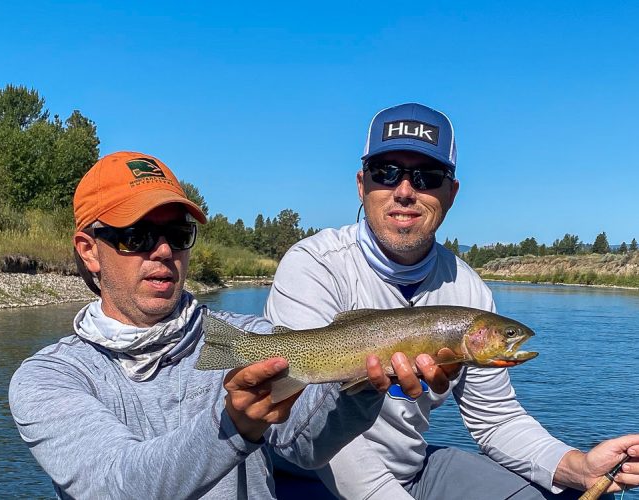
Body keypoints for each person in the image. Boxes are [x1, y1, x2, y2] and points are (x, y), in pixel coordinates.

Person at [265, 103, 639, 499]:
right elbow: (302, 425)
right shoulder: (313, 265)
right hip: (307, 476)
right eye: (386, 173)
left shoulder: (468, 289)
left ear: (452, 192)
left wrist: (578, 468)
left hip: (413, 470)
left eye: (427, 176)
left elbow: (496, 420)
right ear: (362, 184)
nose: (405, 191)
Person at [8, 151, 425, 499]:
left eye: (177, 232)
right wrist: (234, 425)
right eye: (137, 236)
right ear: (89, 252)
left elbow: (305, 447)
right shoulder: (48, 379)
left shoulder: (247, 339)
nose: (165, 250)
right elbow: (118, 484)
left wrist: (363, 386)